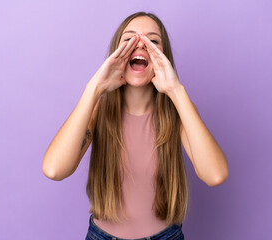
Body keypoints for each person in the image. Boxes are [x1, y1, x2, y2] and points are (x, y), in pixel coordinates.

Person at [42, 11, 229, 240]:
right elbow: (54, 169)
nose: (140, 45)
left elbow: (216, 174)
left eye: (152, 41)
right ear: (116, 53)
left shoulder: (179, 111)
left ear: (163, 57)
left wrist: (176, 90)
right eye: (129, 39)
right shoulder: (97, 112)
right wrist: (94, 88)